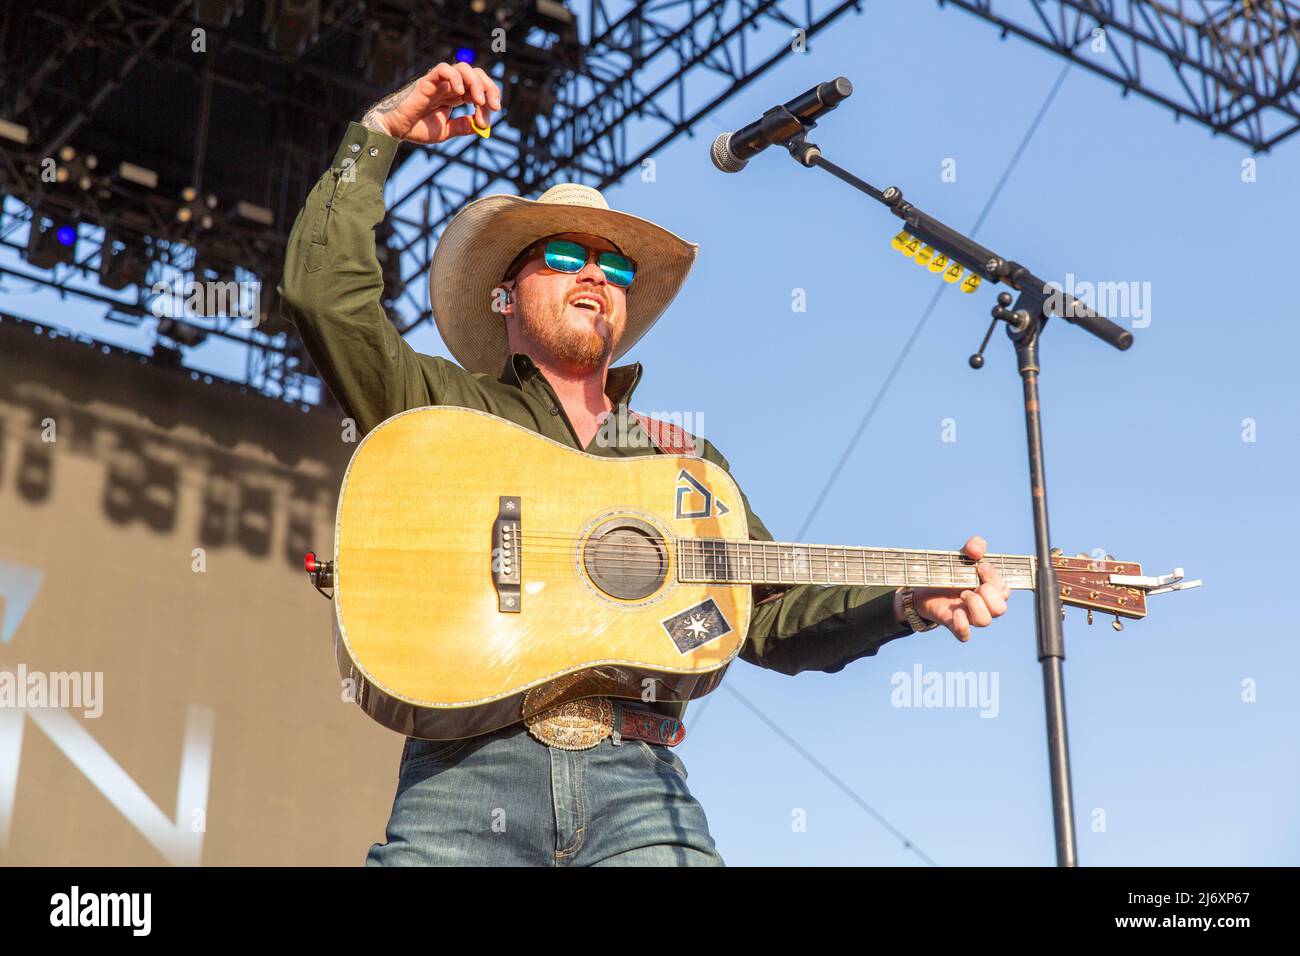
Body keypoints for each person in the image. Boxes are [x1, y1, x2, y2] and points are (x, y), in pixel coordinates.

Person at [279, 61, 1012, 866]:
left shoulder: (683, 462)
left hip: (640, 784)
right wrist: (380, 135)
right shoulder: (445, 411)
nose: (598, 273)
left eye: (617, 267)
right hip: (465, 776)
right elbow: (325, 298)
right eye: (566, 257)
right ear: (504, 295)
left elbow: (765, 619)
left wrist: (904, 600)